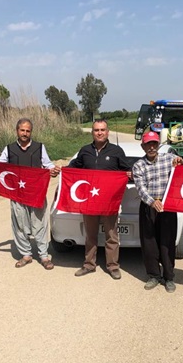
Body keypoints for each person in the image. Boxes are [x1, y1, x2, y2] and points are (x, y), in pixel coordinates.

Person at [0, 118, 60, 270]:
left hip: (36, 192)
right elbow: (0, 164)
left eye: (28, 130)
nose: (25, 133)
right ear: (17, 130)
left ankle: (44, 256)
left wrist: (53, 170)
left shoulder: (39, 147)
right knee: (19, 224)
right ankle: (26, 254)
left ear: (31, 132)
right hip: (17, 194)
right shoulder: (9, 148)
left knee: (40, 223)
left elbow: (48, 164)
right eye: (22, 130)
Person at [68, 118, 132, 280]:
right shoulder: (84, 151)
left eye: (102, 130)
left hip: (109, 202)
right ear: (92, 132)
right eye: (96, 130)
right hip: (89, 201)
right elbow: (73, 168)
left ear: (107, 132)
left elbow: (127, 170)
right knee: (90, 235)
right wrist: (61, 170)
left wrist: (129, 175)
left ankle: (112, 266)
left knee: (111, 236)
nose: (100, 133)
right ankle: (89, 264)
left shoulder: (116, 151)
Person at [132, 131, 183, 293]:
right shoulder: (138, 165)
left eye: (154, 143)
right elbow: (140, 188)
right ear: (143, 146)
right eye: (148, 144)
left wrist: (182, 162)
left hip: (168, 206)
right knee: (149, 243)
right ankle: (153, 275)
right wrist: (153, 202)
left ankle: (169, 277)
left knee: (167, 242)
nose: (151, 147)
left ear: (158, 145)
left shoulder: (169, 159)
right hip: (149, 207)